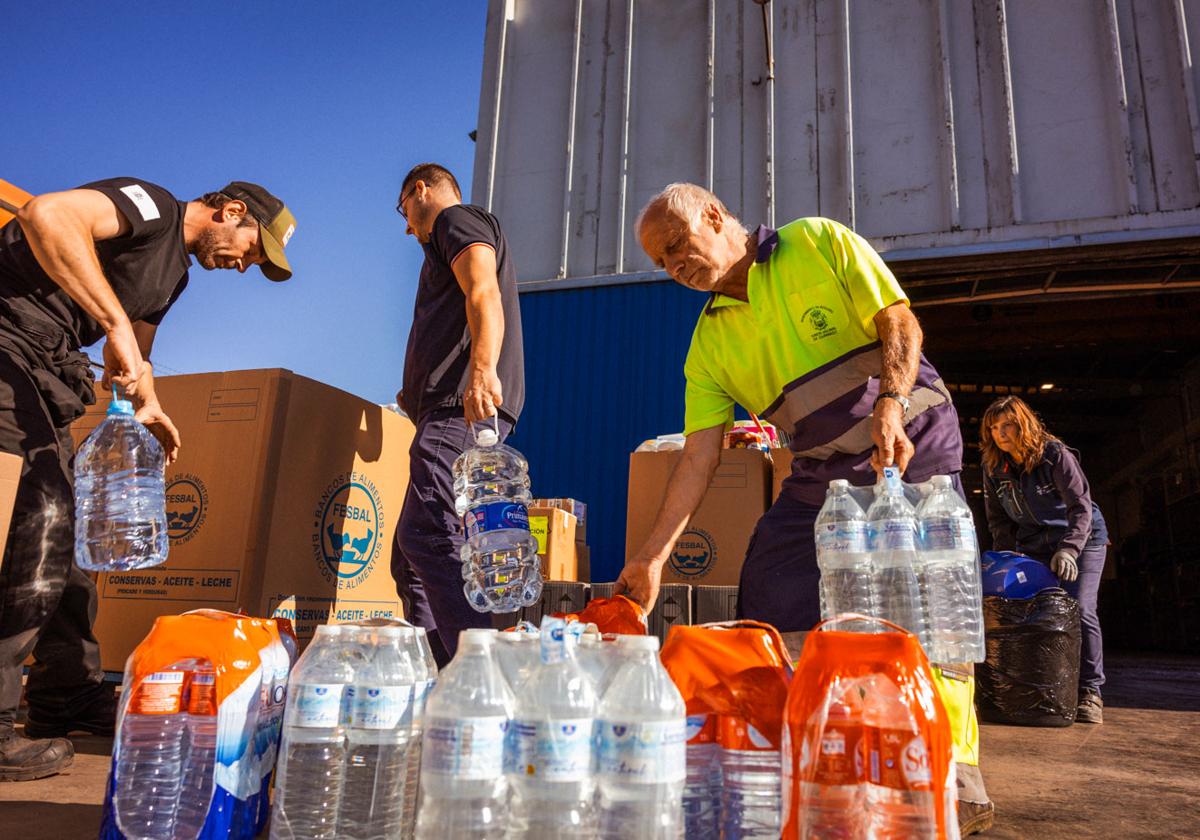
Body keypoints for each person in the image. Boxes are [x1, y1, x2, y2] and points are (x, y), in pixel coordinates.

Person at [614, 182, 993, 834]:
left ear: (714, 213)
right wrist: (650, 559)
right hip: (823, 479)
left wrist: (892, 403)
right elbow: (699, 459)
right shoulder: (709, 346)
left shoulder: (815, 243)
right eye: (662, 263)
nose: (675, 267)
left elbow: (898, 321)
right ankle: (792, 747)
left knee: (928, 615)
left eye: (677, 246)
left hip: (913, 446)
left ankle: (951, 772)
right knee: (768, 591)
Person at [0, 177, 296, 782]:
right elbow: (46, 215)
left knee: (72, 537)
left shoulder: (173, 277)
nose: (243, 266)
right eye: (251, 250)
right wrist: (110, 323)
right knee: (38, 529)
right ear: (231, 211)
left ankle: (64, 695)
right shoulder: (151, 206)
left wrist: (149, 404)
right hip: (7, 345)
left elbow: (134, 354)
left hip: (46, 366)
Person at [391, 163, 525, 666]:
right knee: (409, 561)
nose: (406, 224)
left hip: (460, 408)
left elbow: (483, 291)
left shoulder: (455, 220)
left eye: (403, 208)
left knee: (426, 532)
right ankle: (436, 675)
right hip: (445, 408)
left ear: (420, 190)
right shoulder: (444, 240)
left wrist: (482, 370)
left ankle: (477, 675)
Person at [981, 395, 1108, 724]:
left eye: (1007, 424)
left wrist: (1070, 548)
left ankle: (1090, 692)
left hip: (1083, 538)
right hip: (1034, 543)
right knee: (1030, 609)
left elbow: (1080, 505)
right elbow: (998, 520)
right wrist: (1006, 554)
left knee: (1079, 606)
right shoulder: (994, 468)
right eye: (994, 428)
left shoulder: (1054, 455)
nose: (1000, 433)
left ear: (1023, 423)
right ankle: (1049, 688)